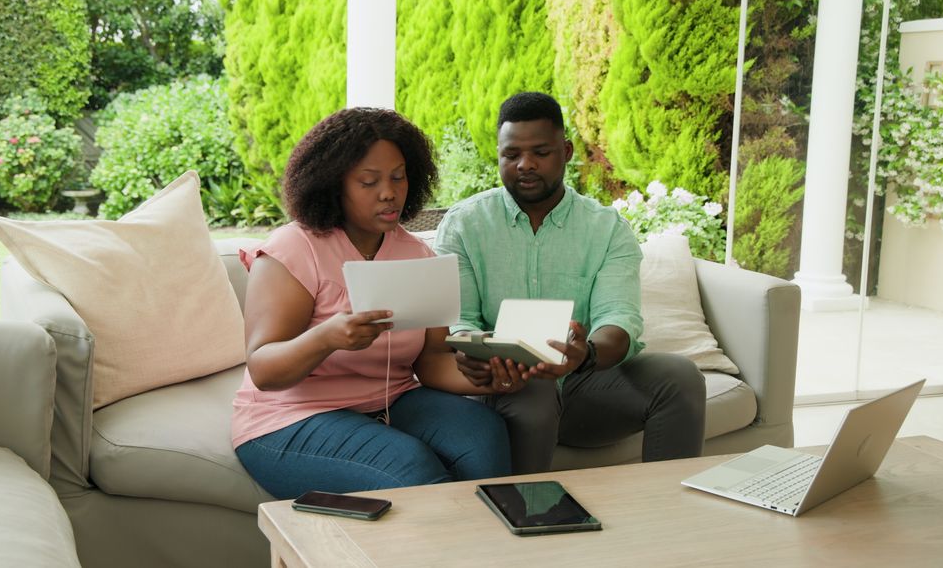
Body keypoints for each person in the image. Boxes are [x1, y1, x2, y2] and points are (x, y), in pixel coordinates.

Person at [233, 107, 511, 499]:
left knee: (484, 435)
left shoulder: (416, 255)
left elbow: (431, 361)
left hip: (390, 400)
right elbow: (264, 369)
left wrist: (487, 376)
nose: (389, 192)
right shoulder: (294, 248)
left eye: (398, 177)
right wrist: (326, 337)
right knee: (411, 466)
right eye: (369, 181)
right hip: (287, 418)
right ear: (334, 185)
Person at [435, 92, 706, 474]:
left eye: (540, 153)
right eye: (511, 155)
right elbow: (459, 320)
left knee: (680, 377)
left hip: (584, 386)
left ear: (566, 151)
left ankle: (670, 518)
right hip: (503, 389)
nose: (525, 165)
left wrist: (587, 355)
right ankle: (526, 515)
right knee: (536, 387)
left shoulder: (607, 229)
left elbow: (619, 318)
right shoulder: (464, 224)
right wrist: (474, 356)